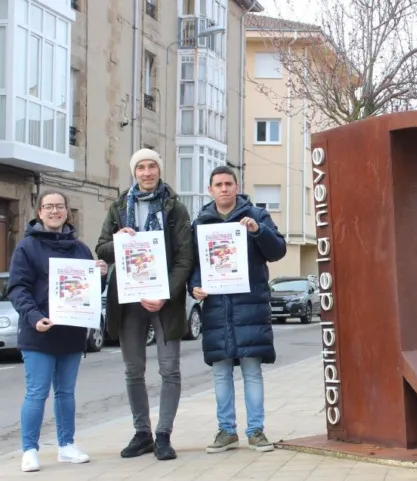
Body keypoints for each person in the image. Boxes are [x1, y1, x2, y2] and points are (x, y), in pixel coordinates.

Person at [95, 148, 195, 461]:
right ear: (134, 172)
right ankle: (143, 433)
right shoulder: (118, 207)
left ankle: (163, 434)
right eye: (141, 167)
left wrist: (166, 292)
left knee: (170, 369)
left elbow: (185, 256)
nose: (147, 172)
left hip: (165, 300)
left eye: (152, 167)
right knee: (133, 370)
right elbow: (101, 249)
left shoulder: (175, 208)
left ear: (159, 171)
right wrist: (118, 240)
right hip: (129, 299)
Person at [7, 189, 108, 472]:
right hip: (39, 332)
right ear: (39, 212)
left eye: (59, 206)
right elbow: (17, 288)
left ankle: (66, 445)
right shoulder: (27, 248)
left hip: (70, 334)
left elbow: (90, 292)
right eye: (48, 207)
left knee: (66, 393)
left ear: (67, 212)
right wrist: (34, 317)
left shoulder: (80, 249)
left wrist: (99, 275)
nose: (54, 211)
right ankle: (29, 450)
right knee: (37, 393)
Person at [188, 166, 286, 454]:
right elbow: (194, 266)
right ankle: (226, 431)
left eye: (228, 183)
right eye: (218, 184)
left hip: (250, 309)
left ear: (237, 186)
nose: (224, 189)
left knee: (252, 372)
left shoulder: (256, 216)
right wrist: (193, 287)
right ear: (210, 190)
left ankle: (256, 431)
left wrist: (259, 232)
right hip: (216, 310)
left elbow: (277, 250)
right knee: (220, 374)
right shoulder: (201, 223)